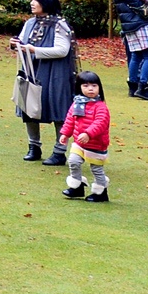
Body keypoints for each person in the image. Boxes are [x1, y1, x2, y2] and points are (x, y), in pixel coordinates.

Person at [10, 0, 77, 165]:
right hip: (32, 69)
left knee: (57, 108)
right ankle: (34, 147)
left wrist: (34, 50)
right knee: (29, 105)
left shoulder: (60, 24)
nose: (32, 3)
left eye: (36, 0)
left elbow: (62, 50)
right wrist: (15, 44)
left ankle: (59, 151)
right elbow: (23, 41)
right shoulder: (30, 22)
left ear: (46, 2)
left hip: (55, 72)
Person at [58, 69, 112, 203]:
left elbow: (101, 123)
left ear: (99, 87)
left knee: (96, 169)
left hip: (96, 144)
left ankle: (101, 192)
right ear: (79, 87)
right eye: (86, 86)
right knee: (73, 161)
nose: (90, 89)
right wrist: (65, 134)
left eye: (94, 86)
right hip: (79, 143)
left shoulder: (100, 107)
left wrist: (88, 133)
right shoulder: (77, 103)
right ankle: (77, 186)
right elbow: (71, 120)